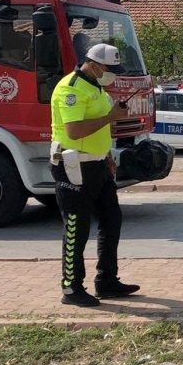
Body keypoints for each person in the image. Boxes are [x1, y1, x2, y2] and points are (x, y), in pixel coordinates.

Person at [50, 43, 139, 306]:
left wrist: (107, 153)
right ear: (93, 64)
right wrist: (111, 116)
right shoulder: (71, 89)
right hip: (74, 166)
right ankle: (71, 288)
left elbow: (99, 128)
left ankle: (107, 280)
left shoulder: (96, 87)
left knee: (112, 220)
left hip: (97, 163)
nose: (112, 74)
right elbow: (75, 130)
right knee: (76, 227)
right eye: (110, 69)